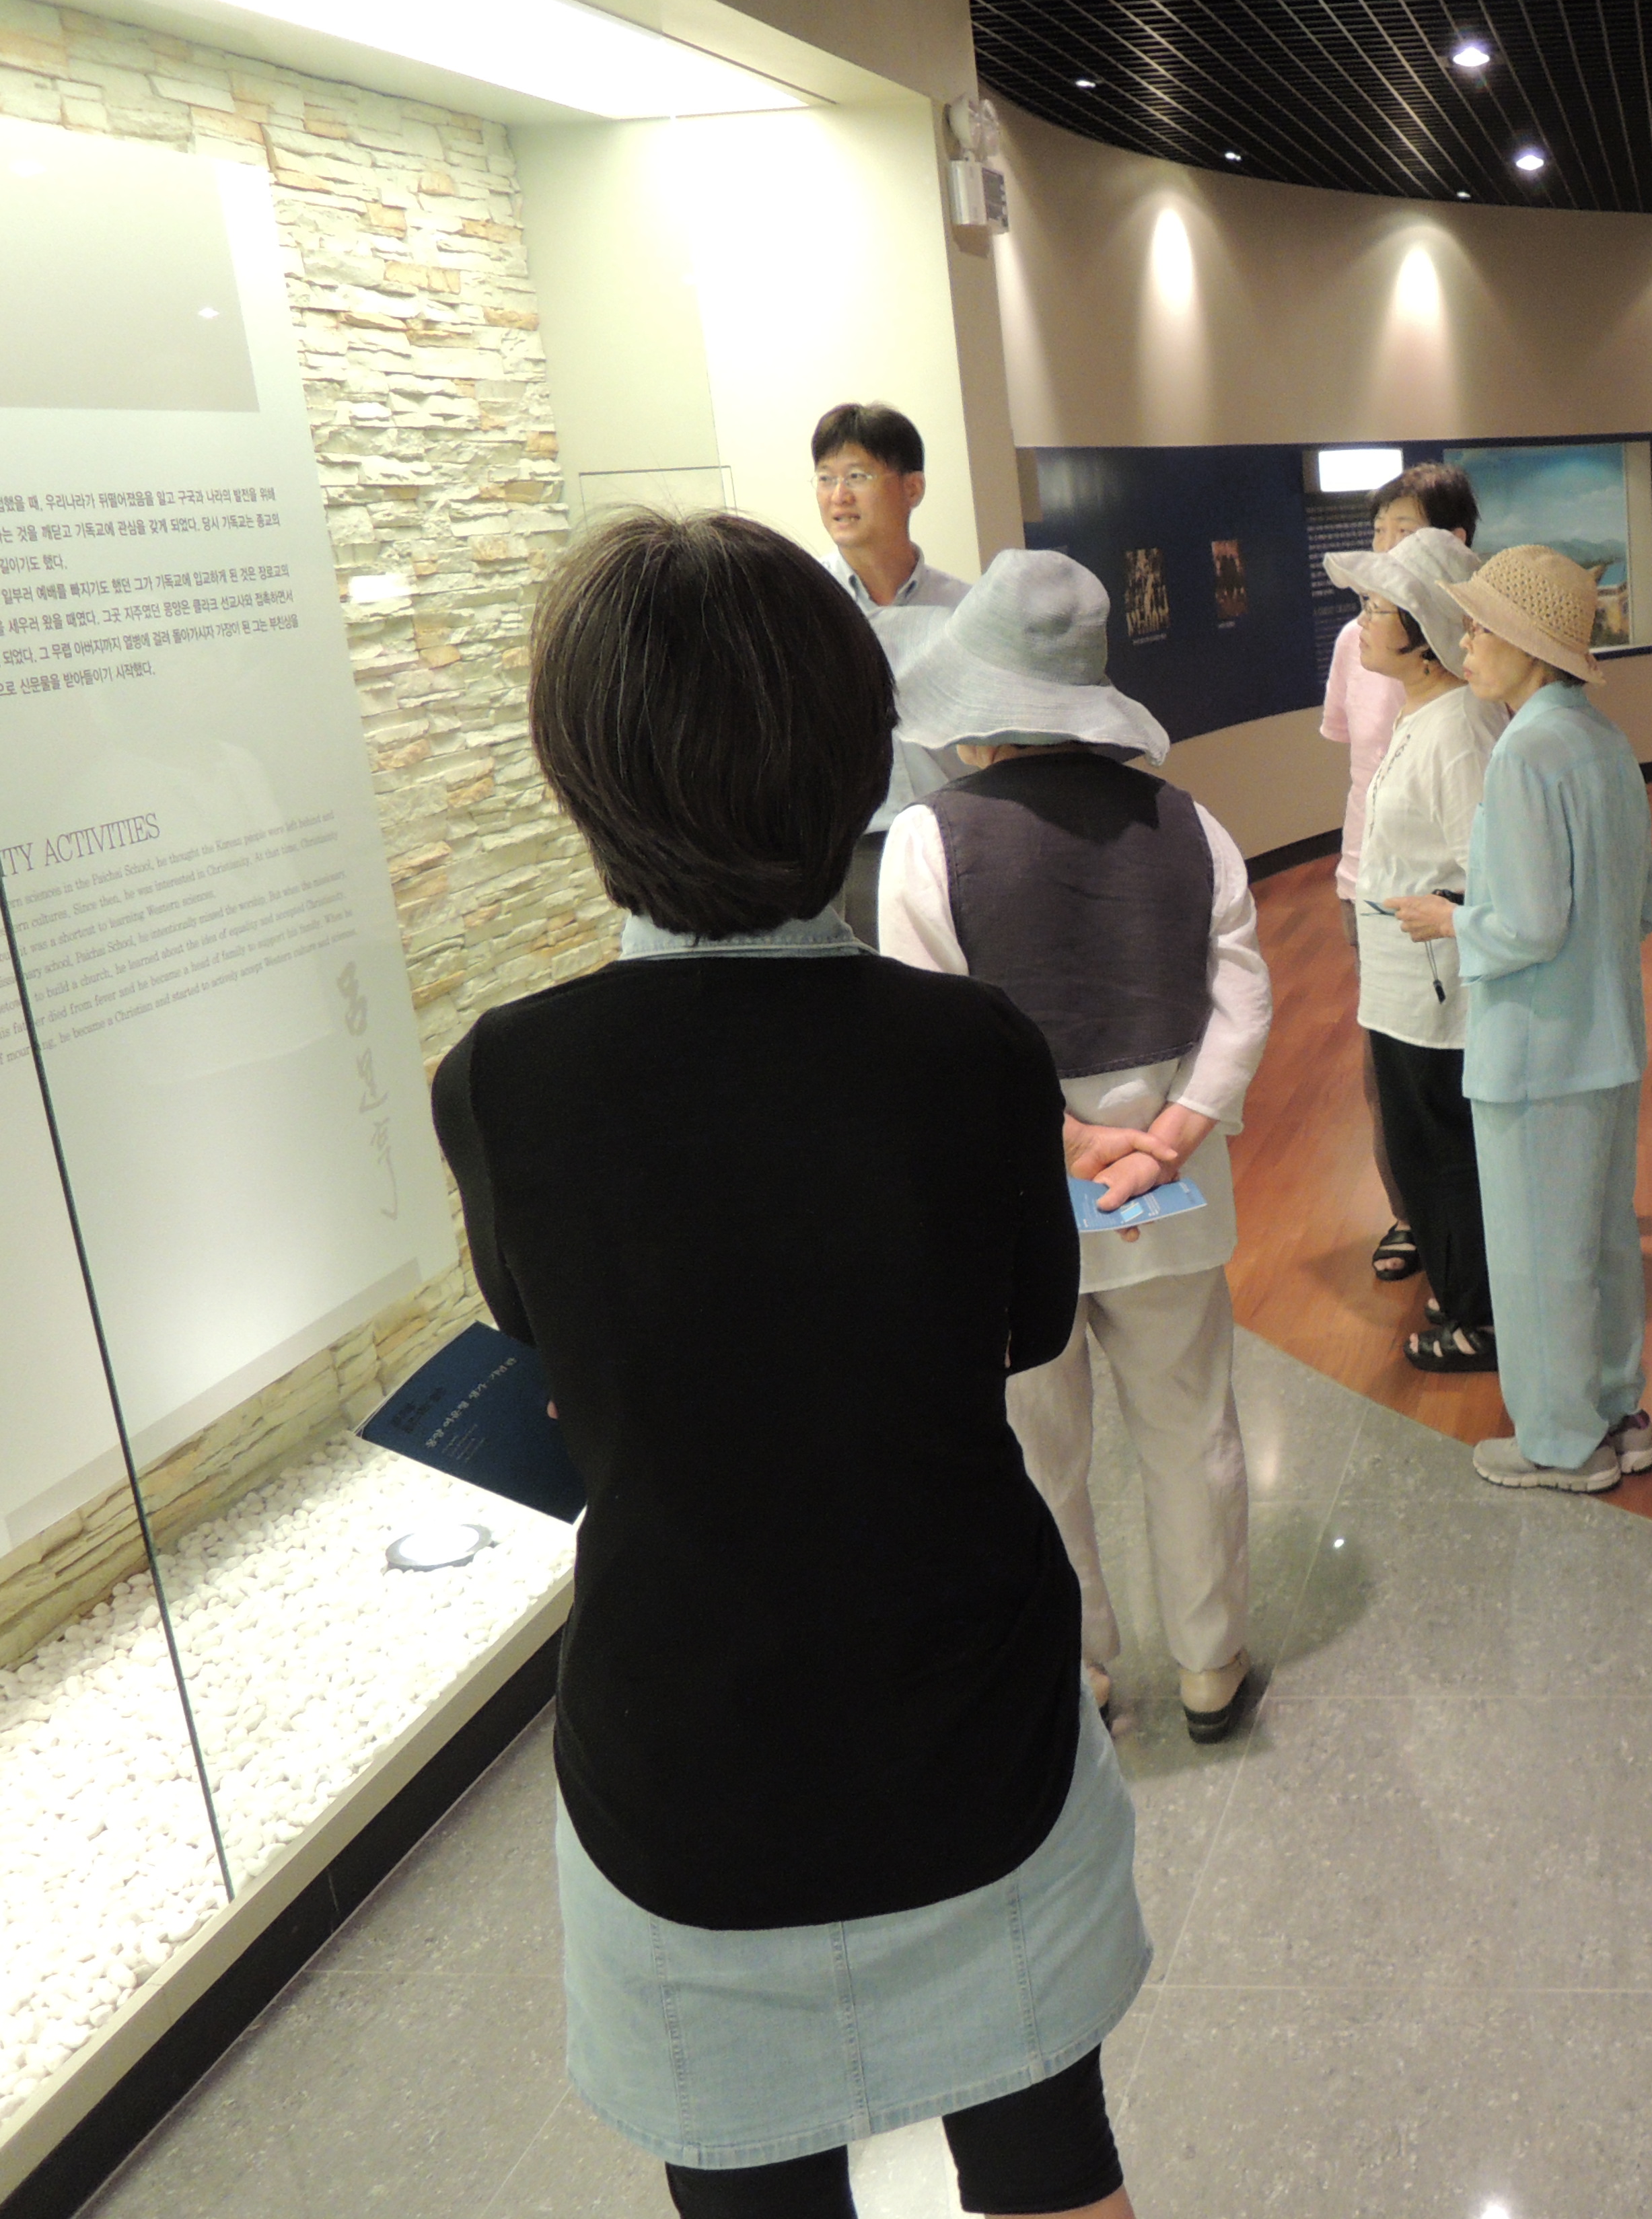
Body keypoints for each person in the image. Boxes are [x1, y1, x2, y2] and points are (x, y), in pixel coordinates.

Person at [429, 510, 1144, 2219]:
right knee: (1053, 2168)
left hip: (686, 1764)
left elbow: (549, 1346)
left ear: (584, 777)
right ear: (852, 753)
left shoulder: (506, 1081)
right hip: (973, 1718)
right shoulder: (971, 1050)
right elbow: (1033, 1326)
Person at [881, 552, 1270, 1747]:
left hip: (1007, 1211)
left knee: (1038, 1453)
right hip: (1170, 1192)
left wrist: (1062, 1138)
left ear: (977, 705)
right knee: (1190, 1431)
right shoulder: (1193, 825)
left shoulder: (925, 840)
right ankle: (1211, 1666)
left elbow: (930, 1036)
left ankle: (1082, 1670)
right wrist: (1168, 1136)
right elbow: (1243, 1001)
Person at [1386, 546, 1652, 1492]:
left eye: (1479, 628)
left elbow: (1530, 925)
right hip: (1609, 1040)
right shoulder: (1604, 741)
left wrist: (1450, 920)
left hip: (1538, 1053)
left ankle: (1560, 1441)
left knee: (1540, 1256)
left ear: (1526, 643)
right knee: (1602, 1244)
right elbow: (1644, 905)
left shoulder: (1524, 754)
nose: (1464, 643)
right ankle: (1619, 1411)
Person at [1324, 525, 1506, 1371]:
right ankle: (1464, 1286)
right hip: (1405, 987)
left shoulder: (1459, 726)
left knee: (1443, 1153)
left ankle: (1480, 1317)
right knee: (1422, 1149)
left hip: (1439, 992)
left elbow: (1488, 868)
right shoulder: (1424, 711)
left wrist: (1448, 918)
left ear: (1427, 633)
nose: (1361, 622)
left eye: (1377, 608)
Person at [812, 402, 970, 950]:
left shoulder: (966, 610)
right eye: (826, 478)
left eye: (857, 476)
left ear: (913, 488)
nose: (839, 496)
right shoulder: (802, 605)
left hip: (956, 840)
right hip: (852, 851)